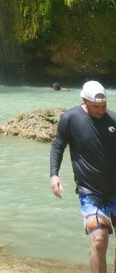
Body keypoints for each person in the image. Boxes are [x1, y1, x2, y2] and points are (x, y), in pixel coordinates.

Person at [50, 80, 116, 273]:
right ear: (84, 101)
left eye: (104, 106)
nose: (101, 110)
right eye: (96, 106)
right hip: (90, 191)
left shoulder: (113, 120)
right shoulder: (70, 118)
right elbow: (58, 146)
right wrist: (54, 174)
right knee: (99, 239)